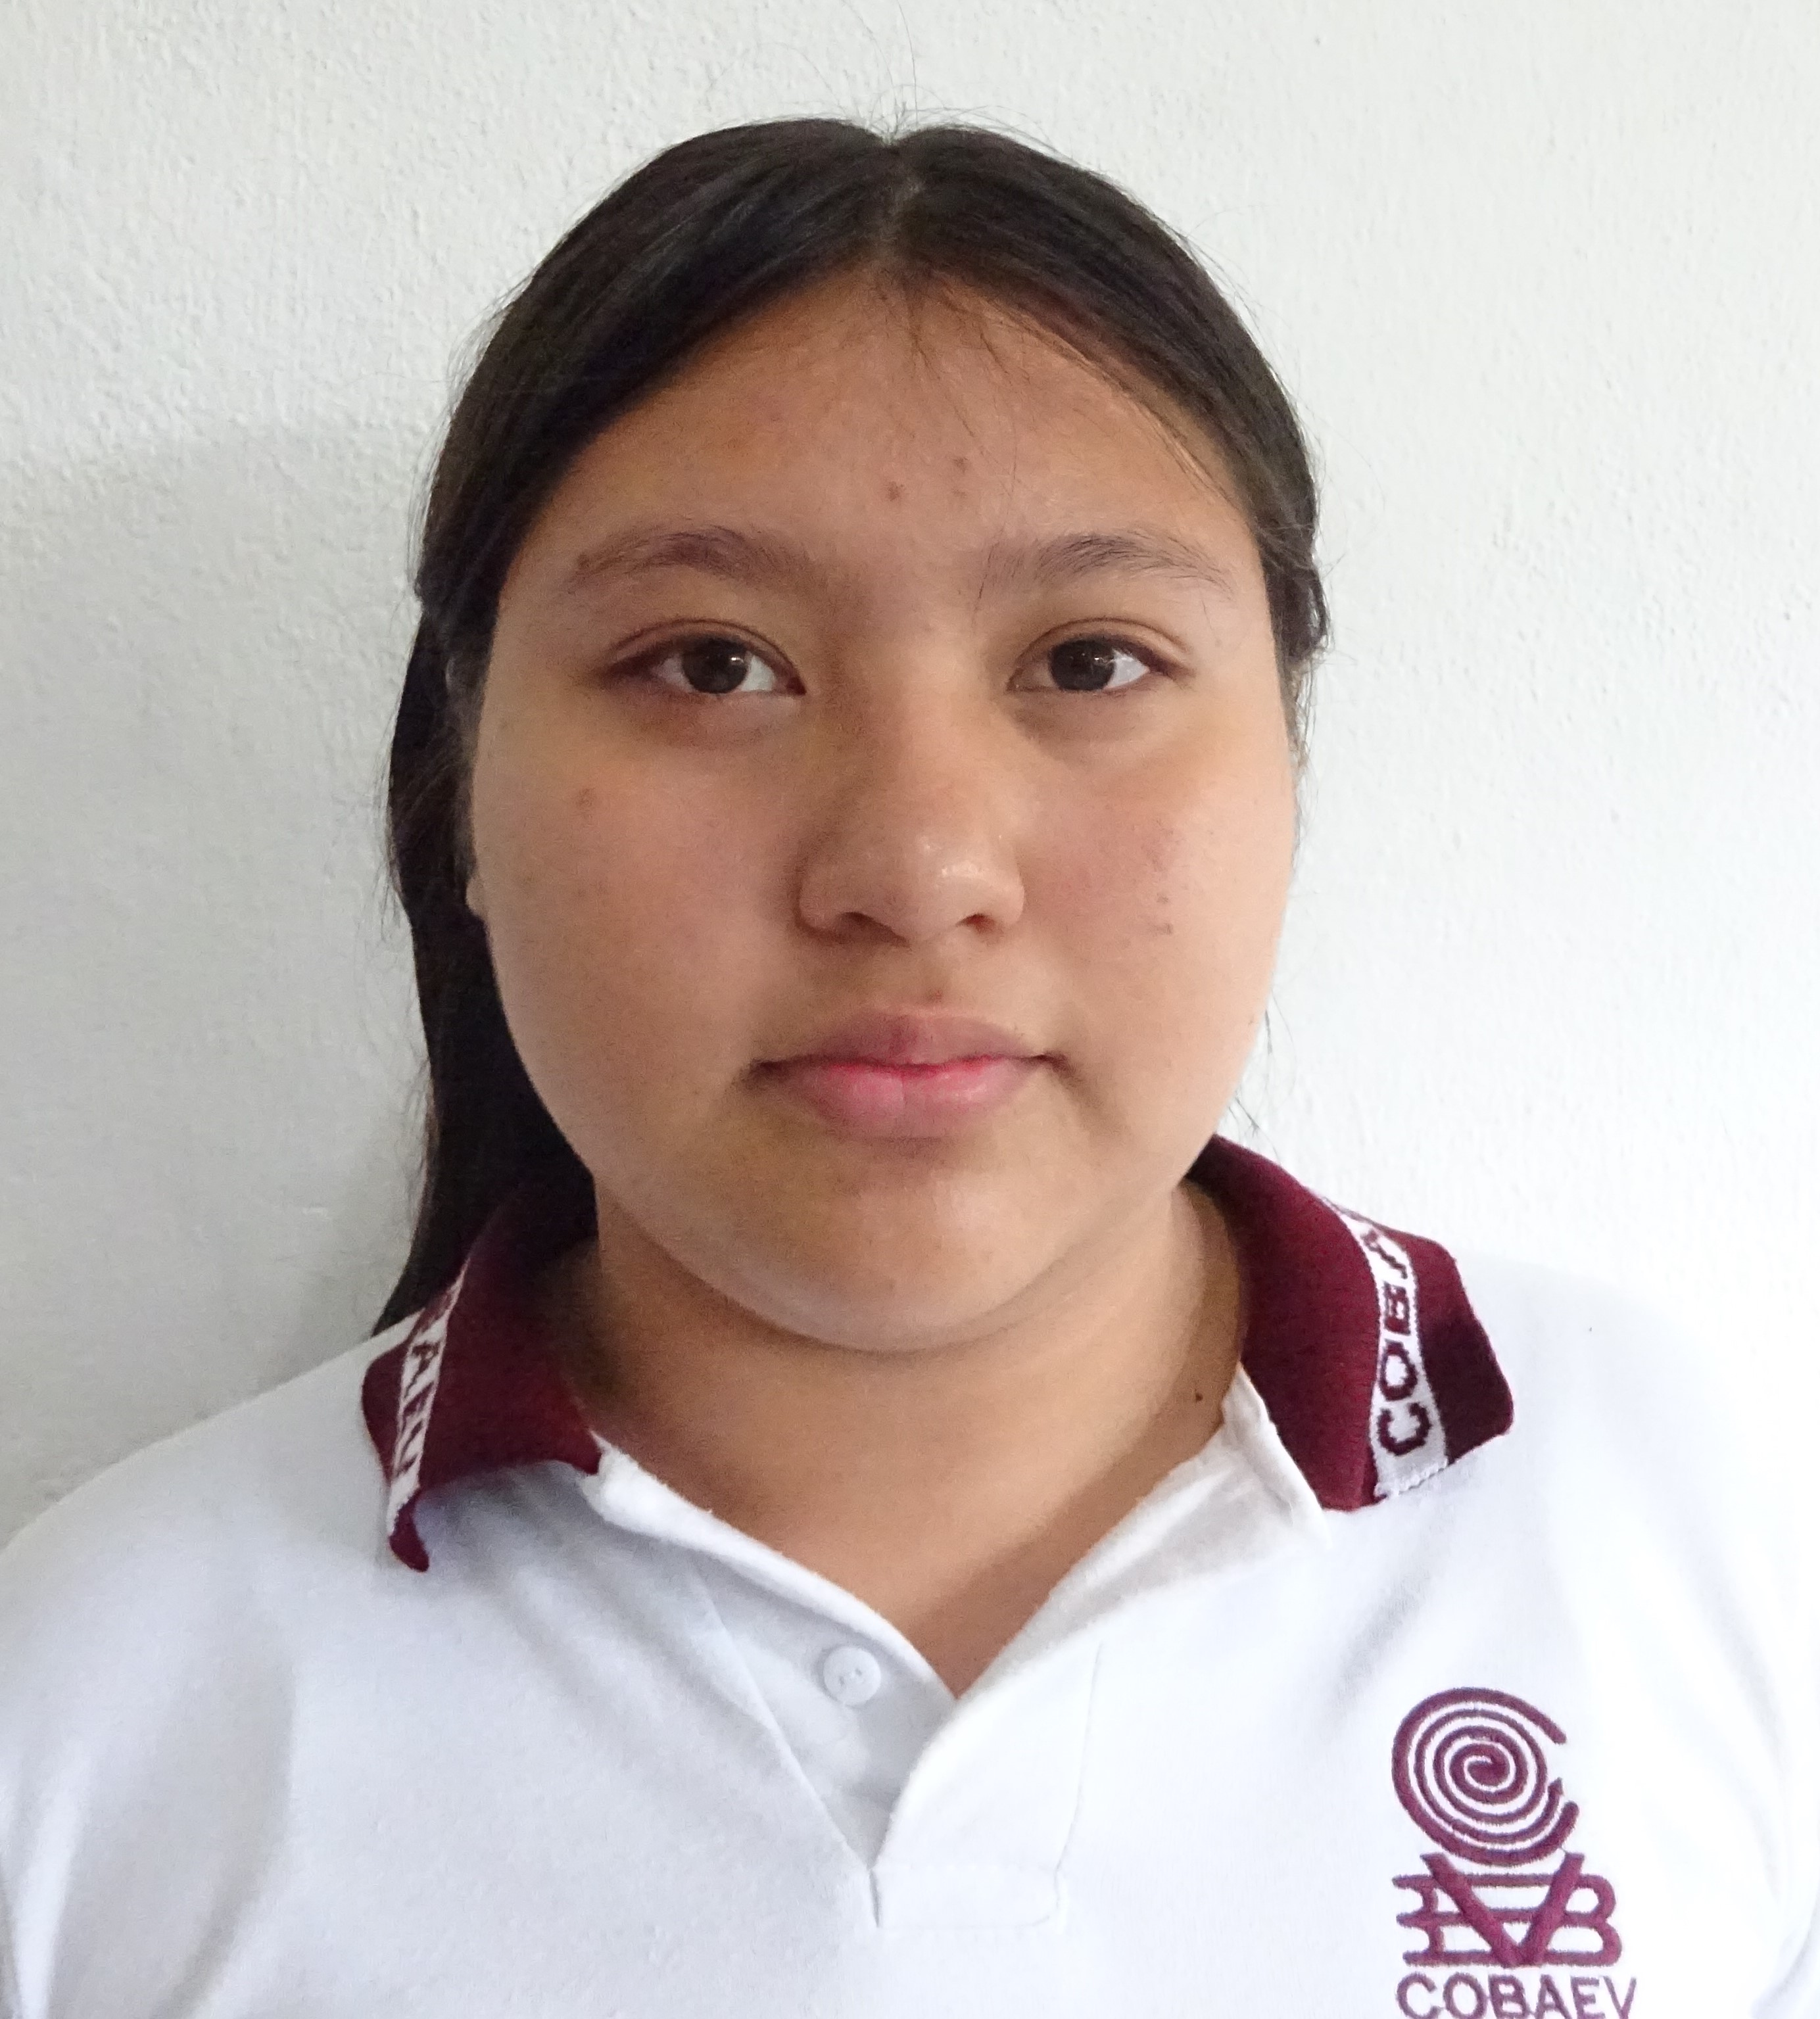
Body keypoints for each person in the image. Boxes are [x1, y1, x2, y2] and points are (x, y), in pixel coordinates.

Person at [0, 116, 1813, 2019]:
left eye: (1090, 663)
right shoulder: (101, 1703)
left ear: (1286, 754)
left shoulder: (1691, 1538)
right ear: (464, 788)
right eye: (712, 665)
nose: (918, 867)